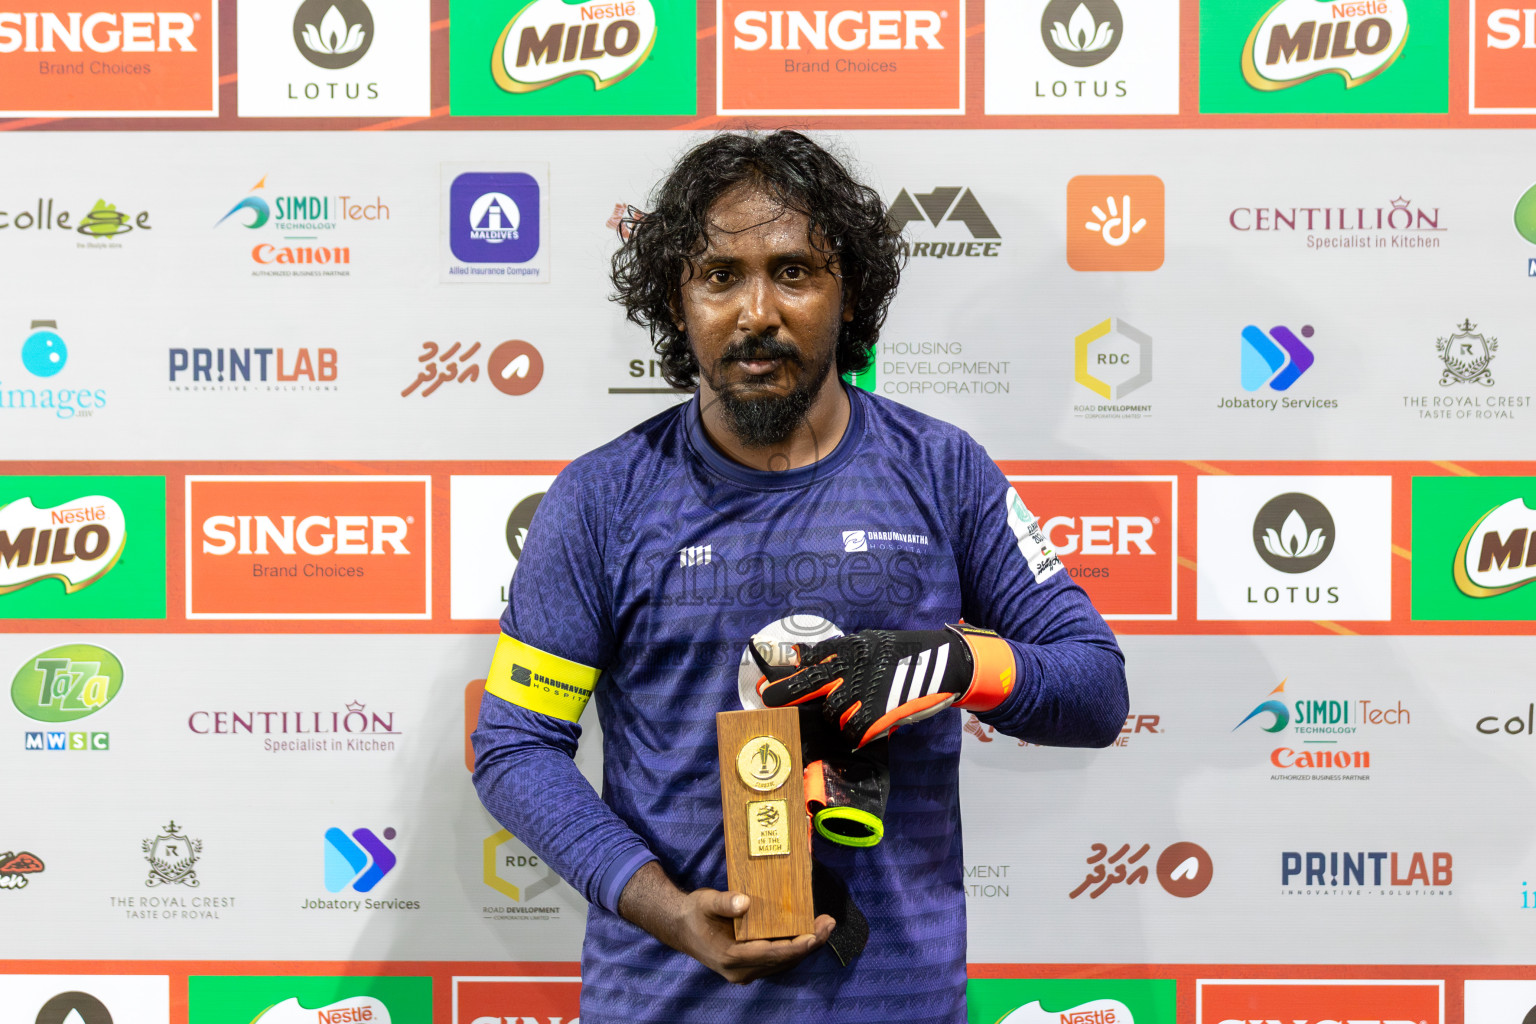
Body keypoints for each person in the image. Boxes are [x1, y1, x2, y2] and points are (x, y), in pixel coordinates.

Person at [472, 130, 1128, 1024]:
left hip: (898, 1003)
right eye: (718, 276)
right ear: (677, 298)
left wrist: (958, 661)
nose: (756, 312)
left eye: (792, 271)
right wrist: (662, 909)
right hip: (665, 1000)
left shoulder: (942, 471)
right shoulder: (601, 499)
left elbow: (1095, 689)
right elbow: (517, 747)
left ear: (847, 292)